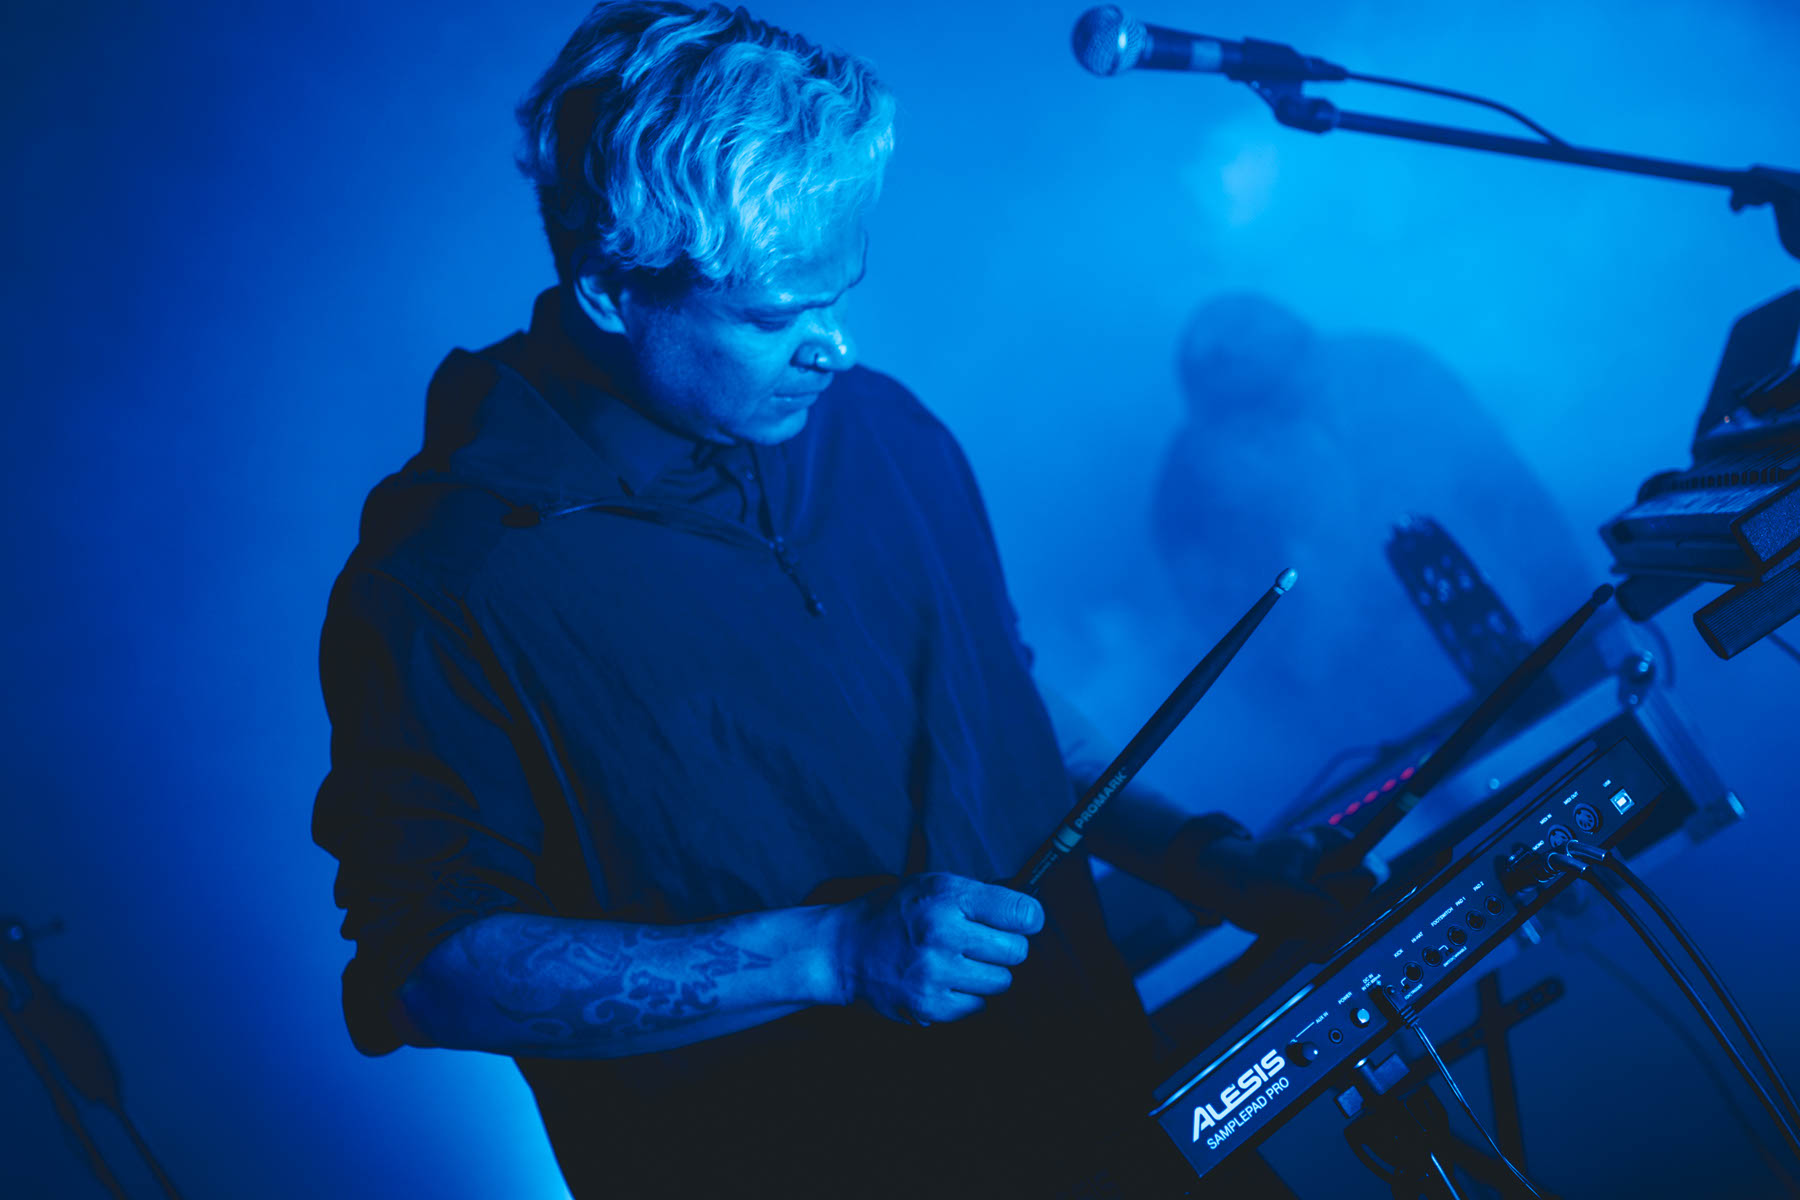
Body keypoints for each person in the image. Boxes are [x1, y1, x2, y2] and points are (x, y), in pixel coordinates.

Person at [312, 5, 1371, 1196]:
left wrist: (1203, 858)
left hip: (1122, 1130)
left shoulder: (882, 427)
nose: (836, 345)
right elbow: (431, 970)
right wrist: (829, 953)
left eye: (840, 289)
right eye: (775, 315)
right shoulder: (442, 581)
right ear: (612, 288)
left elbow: (1000, 707)